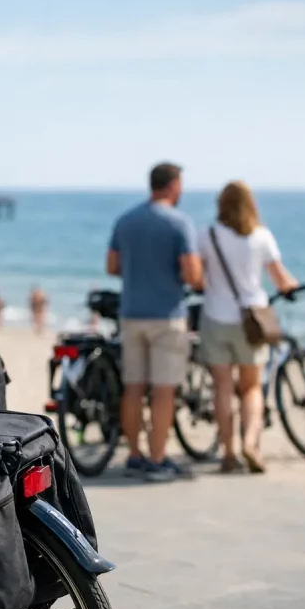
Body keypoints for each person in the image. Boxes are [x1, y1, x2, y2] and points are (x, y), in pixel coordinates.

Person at [107, 162, 203, 481]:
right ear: (173, 186)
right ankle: (158, 458)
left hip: (132, 314)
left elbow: (112, 266)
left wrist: (139, 272)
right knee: (164, 391)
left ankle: (134, 455)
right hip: (167, 315)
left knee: (133, 388)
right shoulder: (180, 223)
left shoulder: (126, 220)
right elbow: (192, 274)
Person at [197, 181, 298, 474]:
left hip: (216, 317)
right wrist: (291, 286)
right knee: (251, 387)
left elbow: (197, 274)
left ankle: (228, 452)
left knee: (223, 387)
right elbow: (280, 278)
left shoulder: (208, 235)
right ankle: (251, 444)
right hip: (251, 320)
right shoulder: (262, 236)